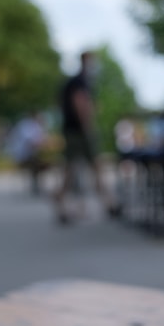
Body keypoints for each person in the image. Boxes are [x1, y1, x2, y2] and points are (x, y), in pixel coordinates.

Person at [53, 51, 120, 224]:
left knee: (74, 169)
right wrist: (88, 127)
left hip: (71, 130)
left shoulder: (73, 81)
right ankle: (110, 204)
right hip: (79, 132)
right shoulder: (80, 81)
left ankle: (108, 204)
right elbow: (80, 103)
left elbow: (61, 103)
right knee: (93, 167)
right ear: (87, 62)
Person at [6, 112, 49, 196]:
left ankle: (37, 186)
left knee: (42, 161)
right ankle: (35, 187)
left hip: (31, 155)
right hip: (23, 156)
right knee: (37, 162)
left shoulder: (36, 127)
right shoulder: (27, 126)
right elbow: (31, 143)